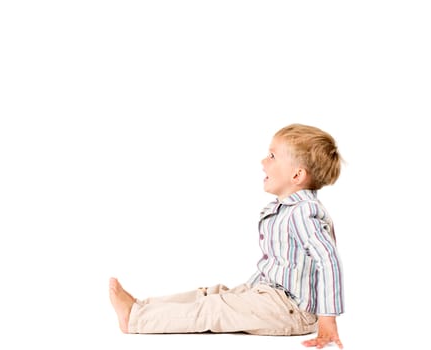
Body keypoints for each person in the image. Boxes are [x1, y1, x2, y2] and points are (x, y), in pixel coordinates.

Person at [109, 123, 345, 349]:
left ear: (297, 176)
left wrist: (327, 318)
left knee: (215, 309)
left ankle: (135, 318)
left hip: (291, 310)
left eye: (272, 156)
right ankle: (141, 307)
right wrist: (247, 290)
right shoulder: (287, 209)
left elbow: (328, 261)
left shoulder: (304, 212)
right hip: (272, 296)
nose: (263, 162)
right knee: (213, 293)